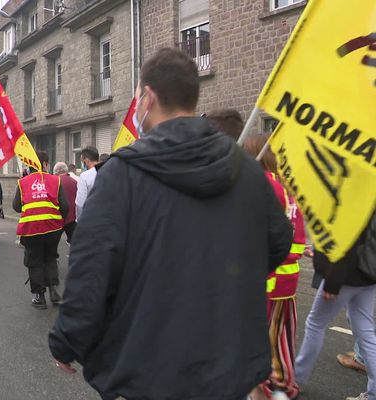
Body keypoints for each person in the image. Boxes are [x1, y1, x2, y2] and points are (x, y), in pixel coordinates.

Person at [48, 47, 293, 400]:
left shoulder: (121, 174)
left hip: (148, 372)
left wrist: (67, 339)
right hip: (231, 366)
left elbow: (91, 267)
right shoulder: (249, 171)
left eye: (137, 96)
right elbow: (278, 243)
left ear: (147, 97)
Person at [243, 134, 307, 399]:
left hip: (269, 276)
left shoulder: (262, 186)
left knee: (263, 340)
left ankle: (273, 387)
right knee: (281, 337)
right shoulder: (289, 186)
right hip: (287, 278)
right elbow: (297, 236)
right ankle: (282, 382)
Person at [295, 212, 376, 400]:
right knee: (364, 329)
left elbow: (346, 237)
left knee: (315, 323)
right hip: (369, 271)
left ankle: (294, 379)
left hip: (345, 273)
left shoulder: (354, 192)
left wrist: (332, 277)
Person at [14, 151, 69, 309]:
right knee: (51, 258)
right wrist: (60, 224)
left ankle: (39, 297)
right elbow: (65, 206)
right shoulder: (56, 180)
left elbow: (16, 206)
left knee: (34, 261)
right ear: (45, 164)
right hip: (53, 228)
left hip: (31, 228)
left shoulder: (22, 182)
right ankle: (54, 291)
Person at [53, 162, 77, 245]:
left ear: (56, 172)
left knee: (52, 246)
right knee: (74, 244)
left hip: (58, 218)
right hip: (72, 218)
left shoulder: (54, 182)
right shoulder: (75, 182)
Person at [75, 146, 99, 220]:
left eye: (82, 161)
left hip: (91, 219)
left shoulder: (84, 176)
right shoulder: (109, 172)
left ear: (86, 160)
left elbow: (80, 204)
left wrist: (79, 221)